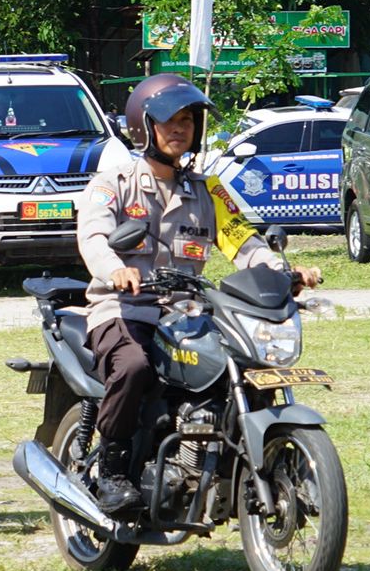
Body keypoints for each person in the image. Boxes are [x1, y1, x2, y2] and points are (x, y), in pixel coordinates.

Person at [76, 74, 323, 513]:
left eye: (188, 120)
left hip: (186, 314)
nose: (180, 129)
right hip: (124, 308)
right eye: (170, 120)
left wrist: (286, 272)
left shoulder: (207, 191)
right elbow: (94, 237)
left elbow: (244, 243)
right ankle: (112, 473)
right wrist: (116, 270)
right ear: (143, 126)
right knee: (133, 366)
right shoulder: (113, 183)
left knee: (240, 366)